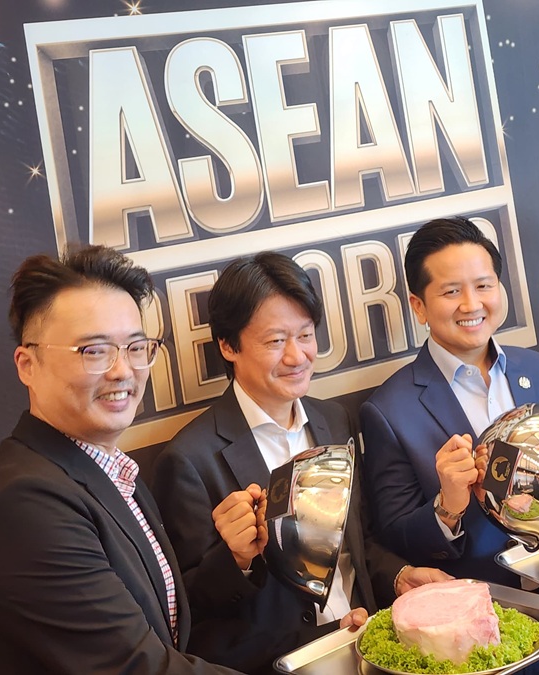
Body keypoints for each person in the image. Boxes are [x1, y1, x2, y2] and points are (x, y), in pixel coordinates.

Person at [0, 245, 241, 675]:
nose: (123, 370)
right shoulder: (22, 506)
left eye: (136, 347)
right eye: (94, 351)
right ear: (28, 364)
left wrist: (234, 558)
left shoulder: (111, 471)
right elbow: (139, 666)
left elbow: (151, 615)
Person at [152, 252, 449, 675]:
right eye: (275, 341)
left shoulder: (334, 420)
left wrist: (399, 575)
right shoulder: (189, 460)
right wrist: (237, 559)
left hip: (374, 649)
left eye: (306, 335)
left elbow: (356, 544)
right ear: (228, 346)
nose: (297, 356)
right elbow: (194, 617)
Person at [359, 216, 539, 674]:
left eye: (484, 285)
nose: (472, 304)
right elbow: (392, 532)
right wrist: (446, 508)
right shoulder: (389, 410)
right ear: (418, 305)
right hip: (478, 634)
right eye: (451, 291)